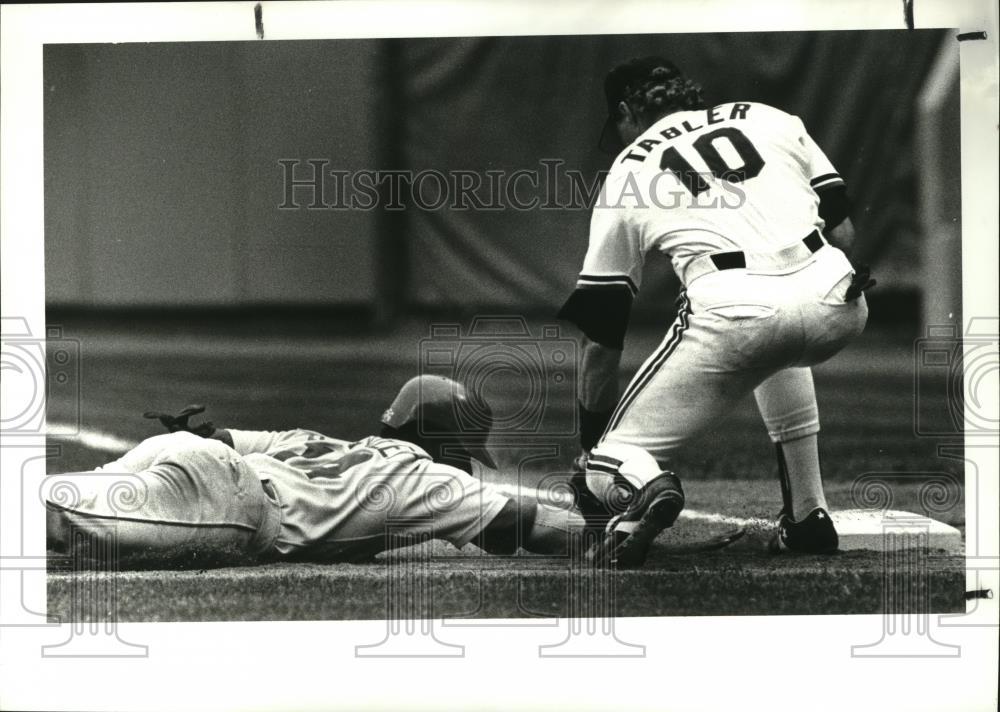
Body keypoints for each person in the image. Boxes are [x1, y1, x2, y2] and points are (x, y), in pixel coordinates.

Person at [558, 56, 873, 567]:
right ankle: (808, 516)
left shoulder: (629, 168)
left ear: (624, 112)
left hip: (736, 307)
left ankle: (643, 482)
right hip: (837, 296)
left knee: (606, 463)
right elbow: (842, 232)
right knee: (779, 348)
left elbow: (601, 337)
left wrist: (597, 450)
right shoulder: (771, 117)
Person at [46, 375, 583, 565]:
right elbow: (532, 524)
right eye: (464, 449)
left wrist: (199, 436)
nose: (466, 462)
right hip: (234, 502)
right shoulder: (430, 479)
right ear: (440, 439)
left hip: (183, 456)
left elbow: (217, 436)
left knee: (45, 503)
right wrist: (609, 526)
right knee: (51, 519)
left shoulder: (315, 441)